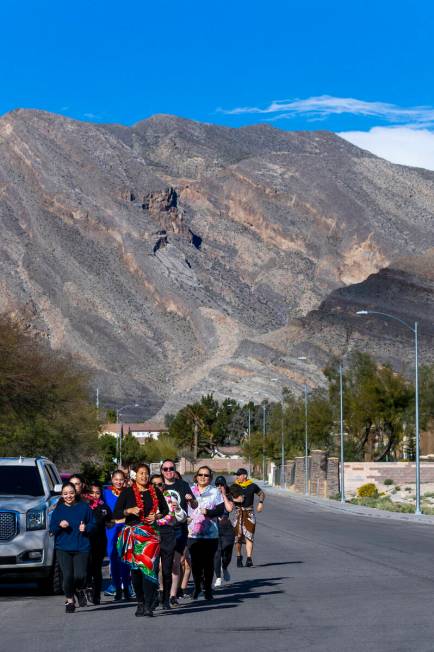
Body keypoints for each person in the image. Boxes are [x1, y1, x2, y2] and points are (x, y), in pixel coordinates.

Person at [113, 463, 170, 617]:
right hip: (134, 535)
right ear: (135, 475)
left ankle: (149, 605)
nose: (144, 476)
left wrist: (156, 516)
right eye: (141, 473)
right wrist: (129, 510)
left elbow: (165, 510)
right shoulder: (127, 492)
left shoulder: (155, 491)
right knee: (136, 572)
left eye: (146, 473)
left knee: (150, 570)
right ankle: (140, 602)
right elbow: (116, 513)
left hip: (151, 536)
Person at [187, 466, 233, 600]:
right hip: (192, 533)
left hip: (210, 534)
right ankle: (197, 587)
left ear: (210, 478)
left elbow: (220, 510)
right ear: (196, 476)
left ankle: (207, 589)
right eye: (200, 475)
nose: (203, 477)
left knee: (208, 563)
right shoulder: (190, 490)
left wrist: (208, 512)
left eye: (206, 475)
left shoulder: (214, 492)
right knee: (195, 564)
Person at [49, 482, 95, 613]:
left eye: (71, 493)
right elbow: (51, 529)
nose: (68, 496)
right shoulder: (58, 510)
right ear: (62, 495)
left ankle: (79, 589)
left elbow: (93, 523)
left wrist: (86, 527)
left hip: (82, 546)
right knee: (68, 576)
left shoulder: (84, 507)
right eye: (65, 494)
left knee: (81, 576)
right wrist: (59, 525)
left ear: (75, 493)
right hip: (63, 547)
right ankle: (70, 600)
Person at [160, 459, 197, 606]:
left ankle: (172, 595)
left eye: (171, 468)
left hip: (178, 528)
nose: (168, 471)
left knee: (176, 563)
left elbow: (194, 504)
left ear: (175, 470)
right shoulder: (158, 485)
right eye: (165, 469)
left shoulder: (182, 485)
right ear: (161, 471)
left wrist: (191, 500)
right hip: (162, 528)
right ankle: (162, 591)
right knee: (162, 565)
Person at [150, 473, 187, 609]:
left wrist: (177, 508)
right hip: (152, 535)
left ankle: (166, 599)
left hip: (168, 534)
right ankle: (154, 596)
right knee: (153, 569)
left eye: (160, 484)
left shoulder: (170, 498)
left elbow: (182, 517)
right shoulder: (146, 499)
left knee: (167, 569)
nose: (157, 487)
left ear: (163, 485)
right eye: (154, 484)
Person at [103, 469, 132, 600]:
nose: (118, 482)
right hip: (112, 529)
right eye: (116, 479)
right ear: (111, 478)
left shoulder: (128, 492)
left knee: (125, 557)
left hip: (125, 527)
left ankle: (126, 587)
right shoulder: (105, 493)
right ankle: (116, 586)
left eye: (121, 479)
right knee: (113, 557)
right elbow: (100, 509)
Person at [85, 481, 112, 605]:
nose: (94, 495)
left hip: (99, 541)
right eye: (92, 493)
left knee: (97, 569)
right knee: (86, 567)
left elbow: (110, 521)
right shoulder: (84, 506)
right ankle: (88, 586)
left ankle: (96, 595)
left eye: (97, 493)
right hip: (85, 540)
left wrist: (109, 523)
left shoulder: (104, 507)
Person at [233, 468, 265, 567]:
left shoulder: (252, 486)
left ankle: (249, 558)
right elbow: (227, 496)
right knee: (237, 537)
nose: (237, 476)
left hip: (249, 513)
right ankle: (239, 557)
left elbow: (262, 494)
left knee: (249, 536)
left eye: (239, 475)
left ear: (245, 476)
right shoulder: (234, 486)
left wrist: (260, 503)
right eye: (237, 475)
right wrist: (235, 499)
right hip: (238, 513)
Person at [212, 476, 235, 588]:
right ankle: (218, 577)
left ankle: (224, 567)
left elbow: (229, 509)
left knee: (227, 553)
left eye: (221, 485)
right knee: (217, 553)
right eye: (217, 485)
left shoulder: (229, 496)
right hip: (215, 527)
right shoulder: (211, 497)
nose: (219, 487)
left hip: (227, 528)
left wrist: (224, 495)